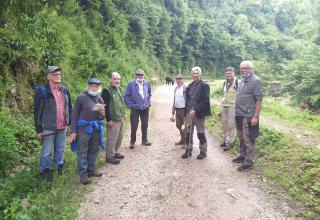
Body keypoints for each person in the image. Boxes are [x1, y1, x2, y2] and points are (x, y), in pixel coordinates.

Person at [34, 65, 72, 181]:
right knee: (46, 151)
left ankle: (58, 168)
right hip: (48, 127)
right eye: (55, 74)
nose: (58, 76)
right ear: (48, 77)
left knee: (60, 149)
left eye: (59, 74)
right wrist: (39, 130)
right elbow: (37, 111)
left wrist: (70, 123)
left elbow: (69, 107)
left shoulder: (64, 90)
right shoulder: (42, 91)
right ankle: (44, 172)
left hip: (62, 126)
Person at [70, 77, 105, 185]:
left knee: (94, 149)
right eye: (92, 86)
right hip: (83, 128)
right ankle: (83, 175)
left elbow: (102, 117)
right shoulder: (81, 97)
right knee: (83, 151)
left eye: (97, 86)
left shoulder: (99, 99)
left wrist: (102, 114)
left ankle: (92, 170)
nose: (94, 88)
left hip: (95, 127)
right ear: (88, 86)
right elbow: (74, 114)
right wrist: (73, 131)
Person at [233, 61, 263, 171]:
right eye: (241, 68)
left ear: (251, 68)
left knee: (248, 139)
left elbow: (259, 99)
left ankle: (249, 161)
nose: (243, 70)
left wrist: (256, 116)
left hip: (249, 115)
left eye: (245, 68)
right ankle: (242, 155)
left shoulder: (256, 81)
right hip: (239, 113)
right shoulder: (241, 80)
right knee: (241, 137)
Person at [182, 66, 211, 160]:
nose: (195, 75)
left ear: (200, 74)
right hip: (189, 113)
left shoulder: (204, 86)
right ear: (192, 74)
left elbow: (205, 101)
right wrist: (187, 111)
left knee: (200, 133)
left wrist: (196, 110)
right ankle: (188, 149)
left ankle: (203, 151)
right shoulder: (189, 86)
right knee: (187, 132)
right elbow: (187, 99)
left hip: (199, 114)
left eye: (197, 73)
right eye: (194, 73)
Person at [101, 72, 125, 165]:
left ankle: (115, 152)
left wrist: (123, 114)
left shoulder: (119, 89)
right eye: (115, 79)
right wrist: (108, 119)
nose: (117, 80)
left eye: (118, 79)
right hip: (113, 120)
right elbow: (105, 107)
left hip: (120, 118)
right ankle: (109, 157)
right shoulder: (106, 91)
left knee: (119, 137)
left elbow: (121, 103)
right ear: (111, 79)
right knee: (112, 139)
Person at [124, 69, 152, 149]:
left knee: (145, 124)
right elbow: (126, 96)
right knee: (134, 125)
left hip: (145, 108)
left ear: (143, 75)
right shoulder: (130, 84)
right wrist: (131, 105)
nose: (140, 76)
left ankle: (144, 140)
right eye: (138, 75)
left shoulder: (147, 83)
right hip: (135, 108)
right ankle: (132, 142)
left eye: (141, 75)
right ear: (136, 75)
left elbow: (149, 94)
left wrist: (148, 102)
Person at [218, 67, 239, 151]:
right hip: (224, 106)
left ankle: (230, 142)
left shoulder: (237, 82)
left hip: (233, 106)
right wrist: (221, 108)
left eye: (230, 73)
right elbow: (223, 96)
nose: (229, 74)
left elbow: (240, 95)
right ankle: (226, 140)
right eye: (227, 73)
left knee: (231, 125)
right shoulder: (224, 82)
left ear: (234, 73)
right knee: (224, 124)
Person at [170, 74, 187, 147]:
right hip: (177, 110)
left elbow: (188, 100)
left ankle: (185, 143)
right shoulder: (176, 88)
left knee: (184, 127)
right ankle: (182, 140)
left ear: (183, 80)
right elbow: (175, 100)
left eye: (180, 79)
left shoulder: (186, 88)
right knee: (178, 125)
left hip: (184, 110)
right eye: (177, 79)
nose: (179, 81)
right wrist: (173, 112)